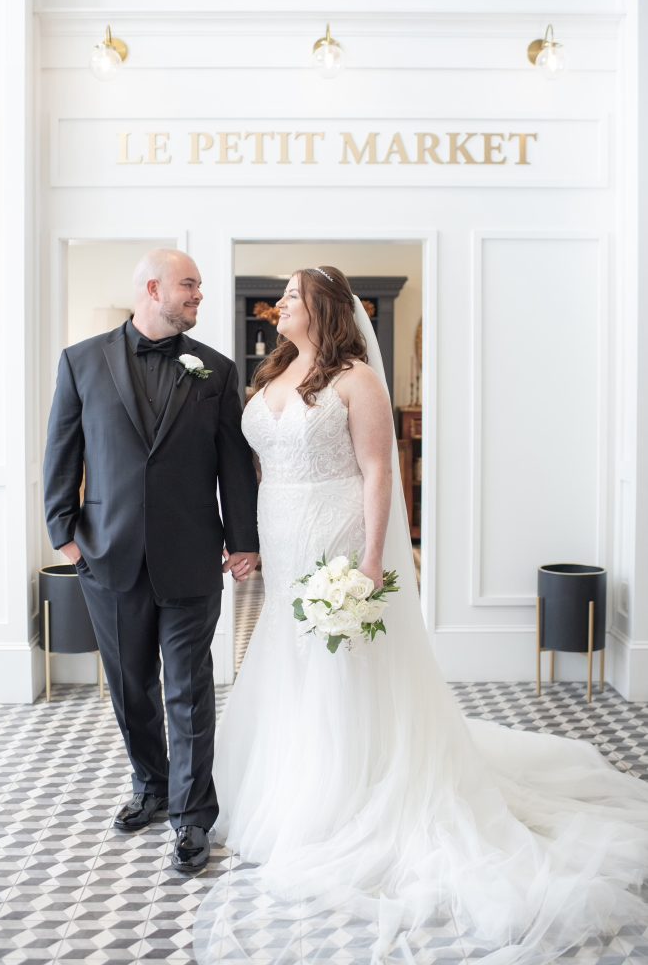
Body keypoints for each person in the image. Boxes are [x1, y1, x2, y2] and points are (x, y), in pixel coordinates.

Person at [194, 266, 648, 964]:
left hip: (340, 531)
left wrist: (374, 560)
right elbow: (256, 465)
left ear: (322, 307)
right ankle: (290, 786)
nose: (278, 304)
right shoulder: (271, 375)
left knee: (343, 664)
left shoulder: (357, 380)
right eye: (280, 295)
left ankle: (346, 797)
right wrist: (248, 539)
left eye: (290, 295)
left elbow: (379, 470)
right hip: (282, 532)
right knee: (291, 656)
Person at [43, 249, 259, 873]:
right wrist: (64, 533)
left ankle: (193, 819)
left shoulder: (215, 371)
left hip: (191, 556)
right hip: (107, 556)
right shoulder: (81, 361)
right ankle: (152, 786)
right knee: (130, 687)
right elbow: (63, 450)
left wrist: (242, 538)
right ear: (154, 287)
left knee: (189, 690)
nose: (199, 296)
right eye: (190, 285)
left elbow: (233, 464)